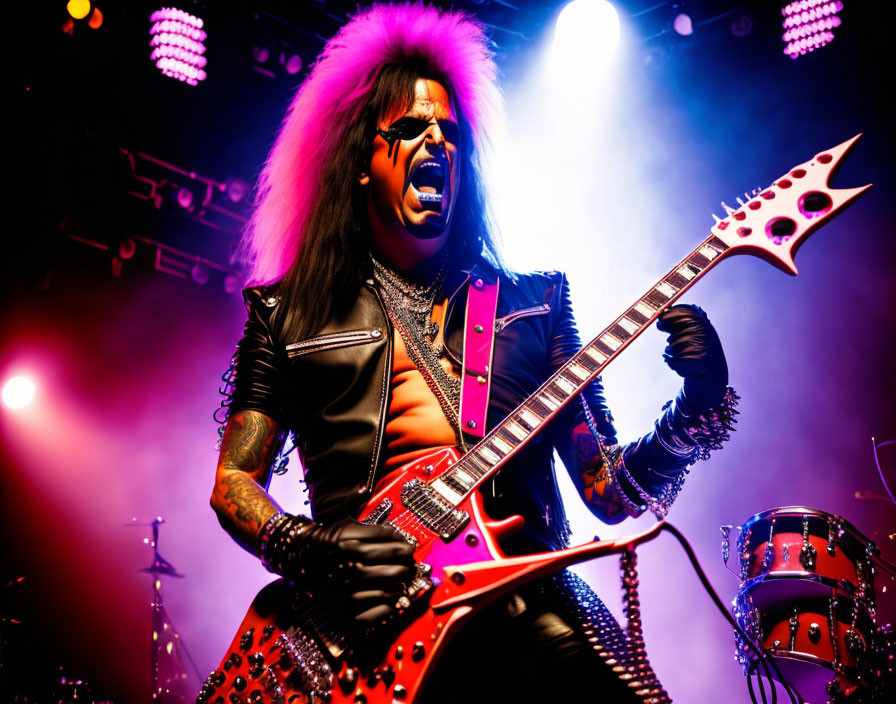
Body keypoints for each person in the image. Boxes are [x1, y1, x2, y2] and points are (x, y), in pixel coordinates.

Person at [207, 4, 737, 702]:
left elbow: (606, 492)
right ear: (360, 160)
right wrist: (312, 549)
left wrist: (694, 408)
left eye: (449, 133)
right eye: (409, 129)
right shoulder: (290, 313)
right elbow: (232, 484)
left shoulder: (534, 303)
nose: (436, 143)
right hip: (360, 634)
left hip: (523, 600)